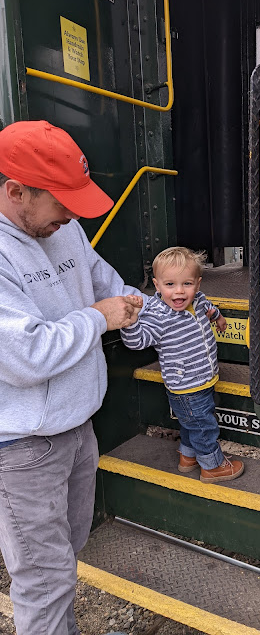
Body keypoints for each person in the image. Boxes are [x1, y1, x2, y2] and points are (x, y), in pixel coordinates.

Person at [0, 119, 143, 635]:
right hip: (24, 444)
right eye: (61, 201)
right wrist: (101, 317)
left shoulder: (65, 227)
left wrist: (150, 307)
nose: (70, 214)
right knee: (44, 580)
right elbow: (26, 355)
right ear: (15, 191)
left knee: (68, 554)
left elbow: (101, 278)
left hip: (78, 427)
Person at [120, 246, 245, 483]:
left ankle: (187, 457)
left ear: (197, 284)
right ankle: (213, 466)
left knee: (192, 423)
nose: (179, 292)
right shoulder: (157, 315)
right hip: (185, 387)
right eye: (170, 285)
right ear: (157, 285)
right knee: (204, 427)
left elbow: (208, 308)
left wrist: (218, 318)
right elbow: (138, 342)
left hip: (204, 378)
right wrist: (131, 321)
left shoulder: (198, 300)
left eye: (186, 284)